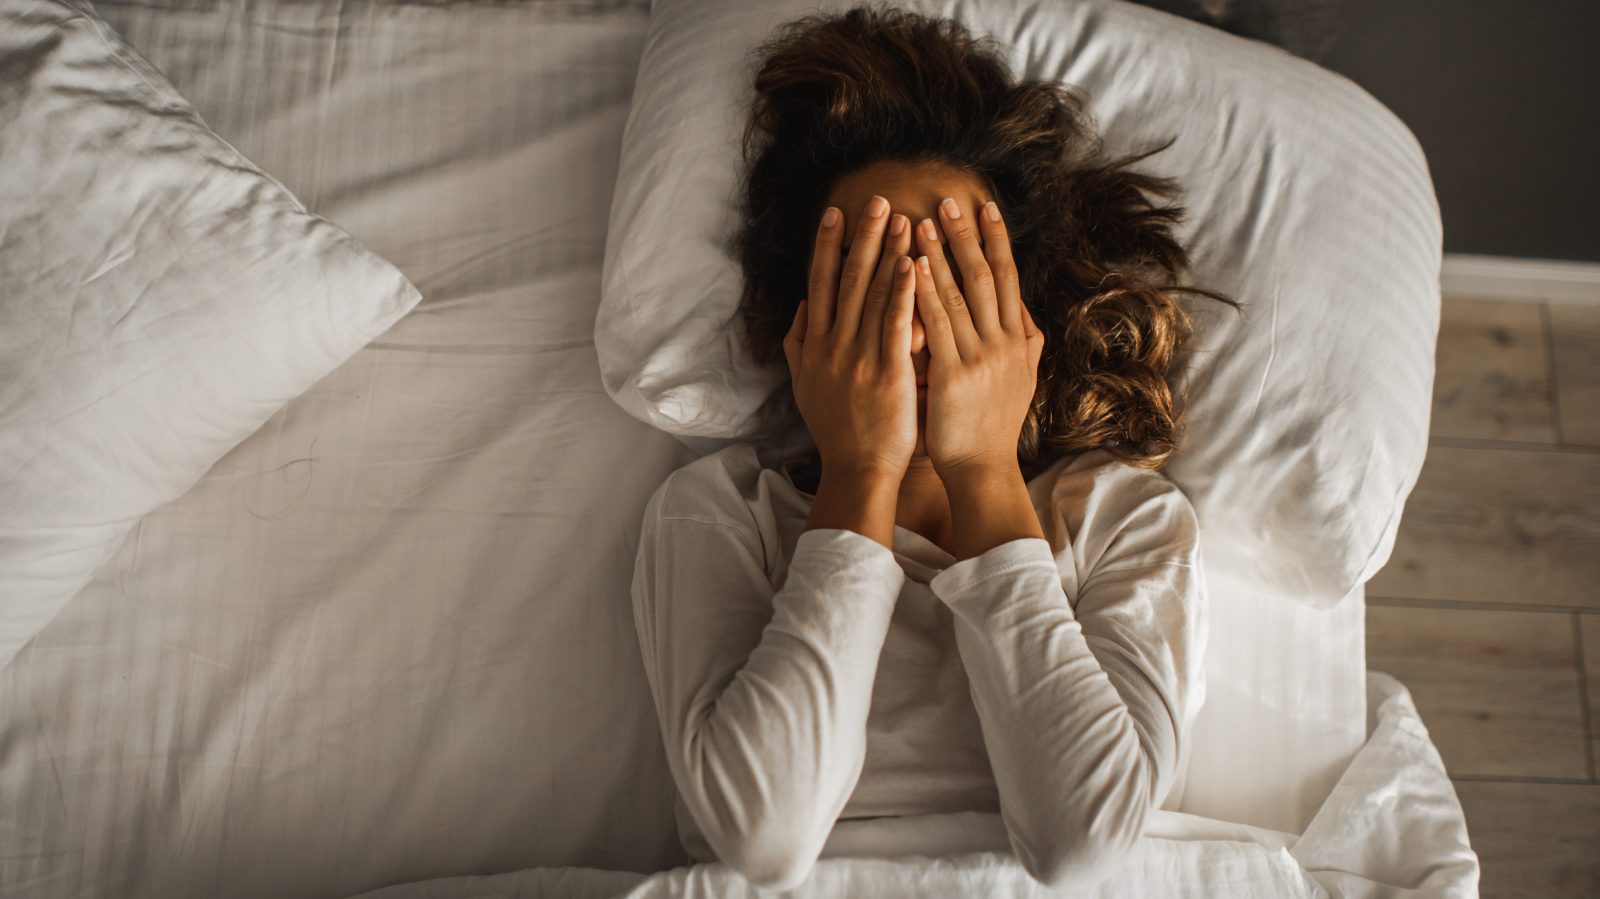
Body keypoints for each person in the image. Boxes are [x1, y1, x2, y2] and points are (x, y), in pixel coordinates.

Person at [630, 3, 1243, 892]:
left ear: (1020, 321)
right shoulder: (721, 512)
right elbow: (765, 835)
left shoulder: (1120, 518)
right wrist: (860, 473)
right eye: (870, 281)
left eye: (956, 282)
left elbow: (1084, 845)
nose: (917, 329)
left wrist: (984, 470)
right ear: (800, 323)